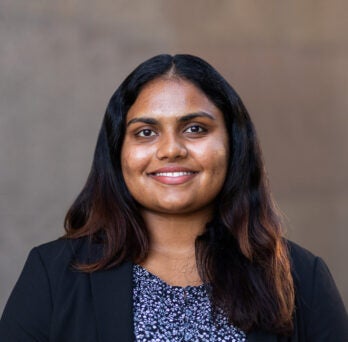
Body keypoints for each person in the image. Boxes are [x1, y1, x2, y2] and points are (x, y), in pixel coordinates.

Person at [0, 54, 347, 342]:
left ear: (233, 143)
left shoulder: (301, 277)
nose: (170, 150)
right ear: (118, 151)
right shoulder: (53, 274)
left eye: (195, 128)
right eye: (146, 132)